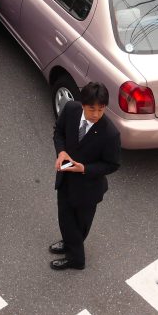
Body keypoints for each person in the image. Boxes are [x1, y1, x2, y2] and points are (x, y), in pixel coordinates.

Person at [49, 82, 120, 270]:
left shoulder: (110, 134)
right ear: (82, 104)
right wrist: (61, 152)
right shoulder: (71, 109)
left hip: (88, 188)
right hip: (66, 178)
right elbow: (58, 132)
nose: (96, 114)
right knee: (65, 217)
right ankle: (70, 245)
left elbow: (112, 164)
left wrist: (85, 169)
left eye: (101, 109)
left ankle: (76, 259)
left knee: (80, 224)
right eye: (91, 109)